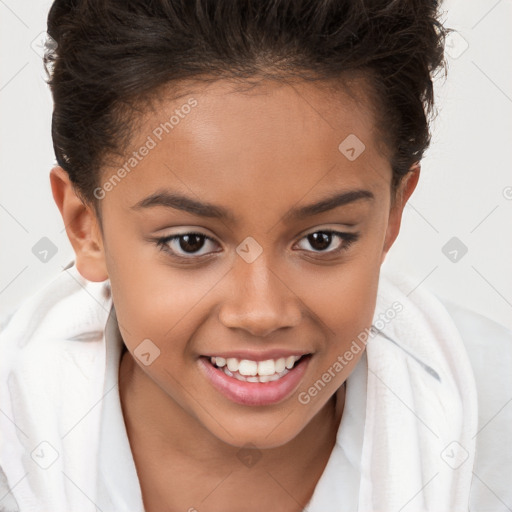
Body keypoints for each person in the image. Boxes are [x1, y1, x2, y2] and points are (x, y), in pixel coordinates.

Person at [0, 1, 511, 511]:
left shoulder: (495, 420)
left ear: (393, 213)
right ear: (85, 228)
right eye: (191, 243)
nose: (261, 313)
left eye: (322, 239)